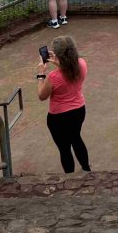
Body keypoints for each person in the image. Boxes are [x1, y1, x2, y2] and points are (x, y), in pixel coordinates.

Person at [36, 35, 91, 173]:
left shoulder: (54, 77)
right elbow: (70, 70)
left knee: (64, 148)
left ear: (59, 54)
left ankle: (70, 177)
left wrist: (41, 74)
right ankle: (86, 169)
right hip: (79, 110)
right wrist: (59, 62)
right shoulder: (82, 63)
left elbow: (42, 96)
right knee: (76, 138)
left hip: (59, 117)